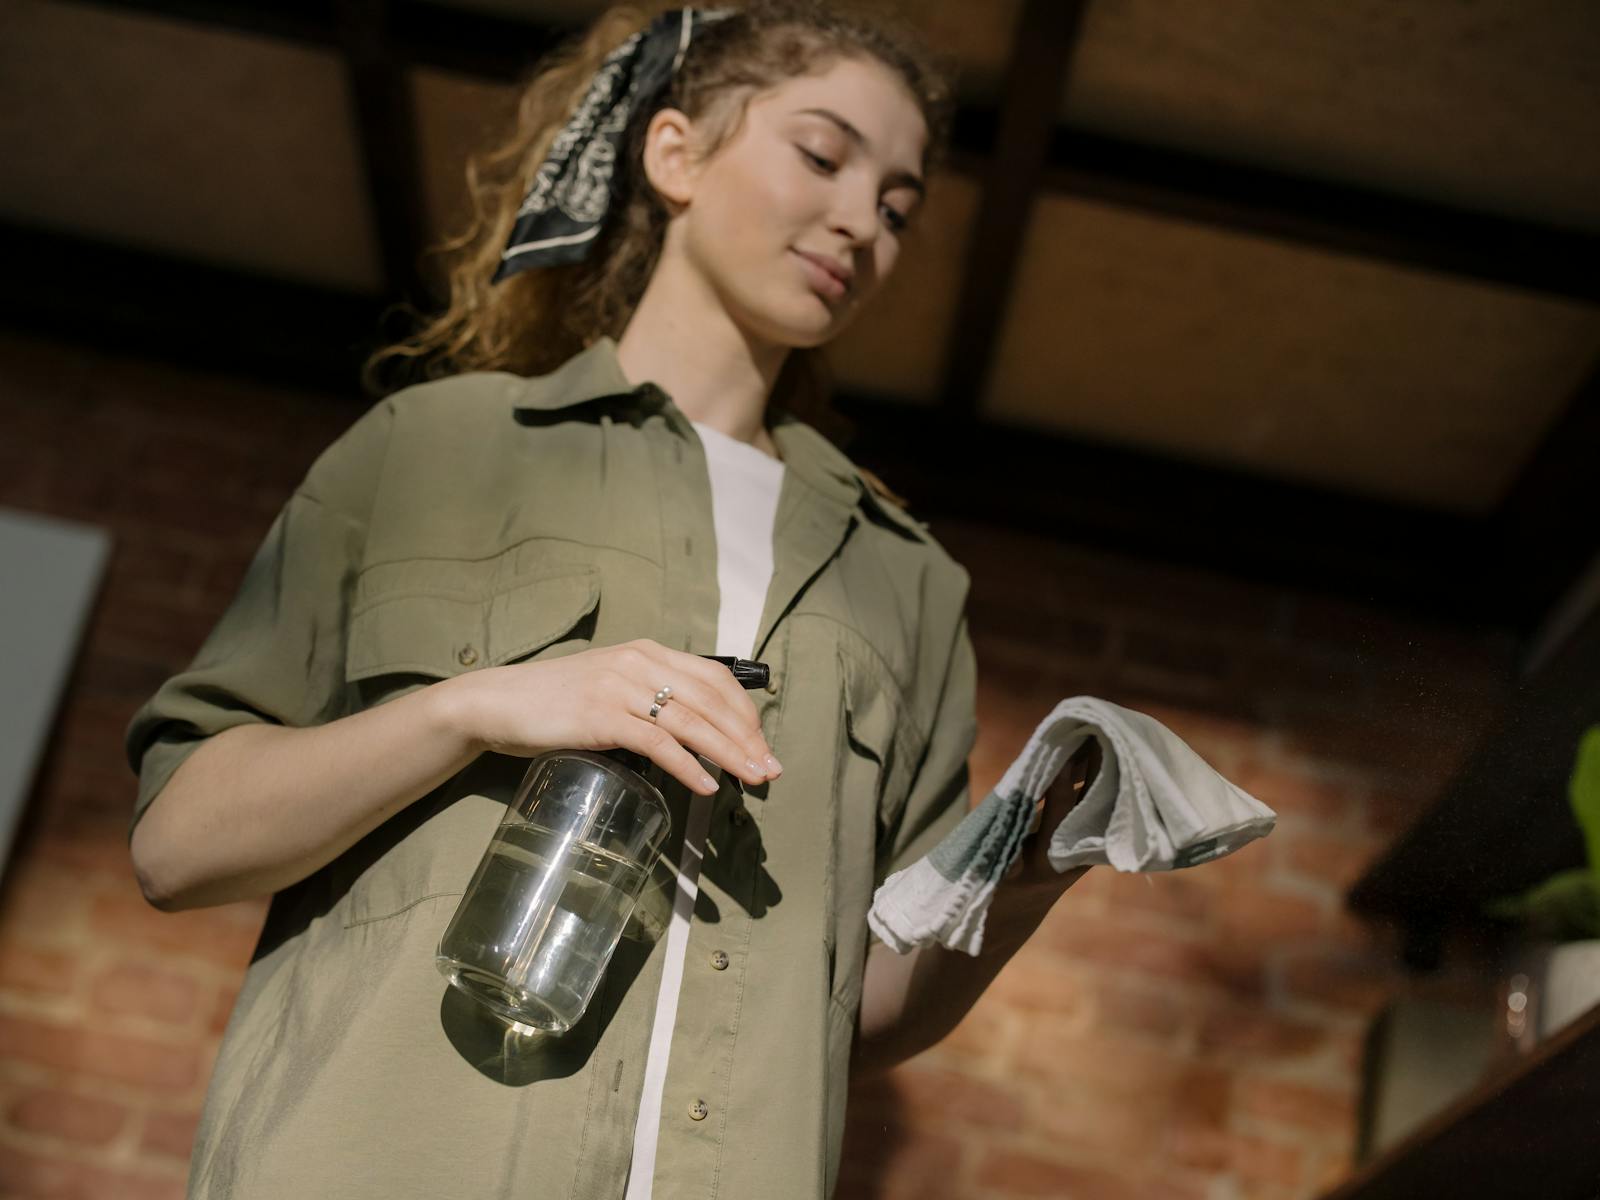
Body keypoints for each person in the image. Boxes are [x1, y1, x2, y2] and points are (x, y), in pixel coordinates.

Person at [124, 3, 1092, 1197]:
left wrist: (1031, 876)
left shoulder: (907, 582)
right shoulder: (430, 448)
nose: (862, 223)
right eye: (823, 155)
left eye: (898, 208)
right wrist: (473, 707)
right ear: (674, 153)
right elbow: (177, 845)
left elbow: (855, 1000)